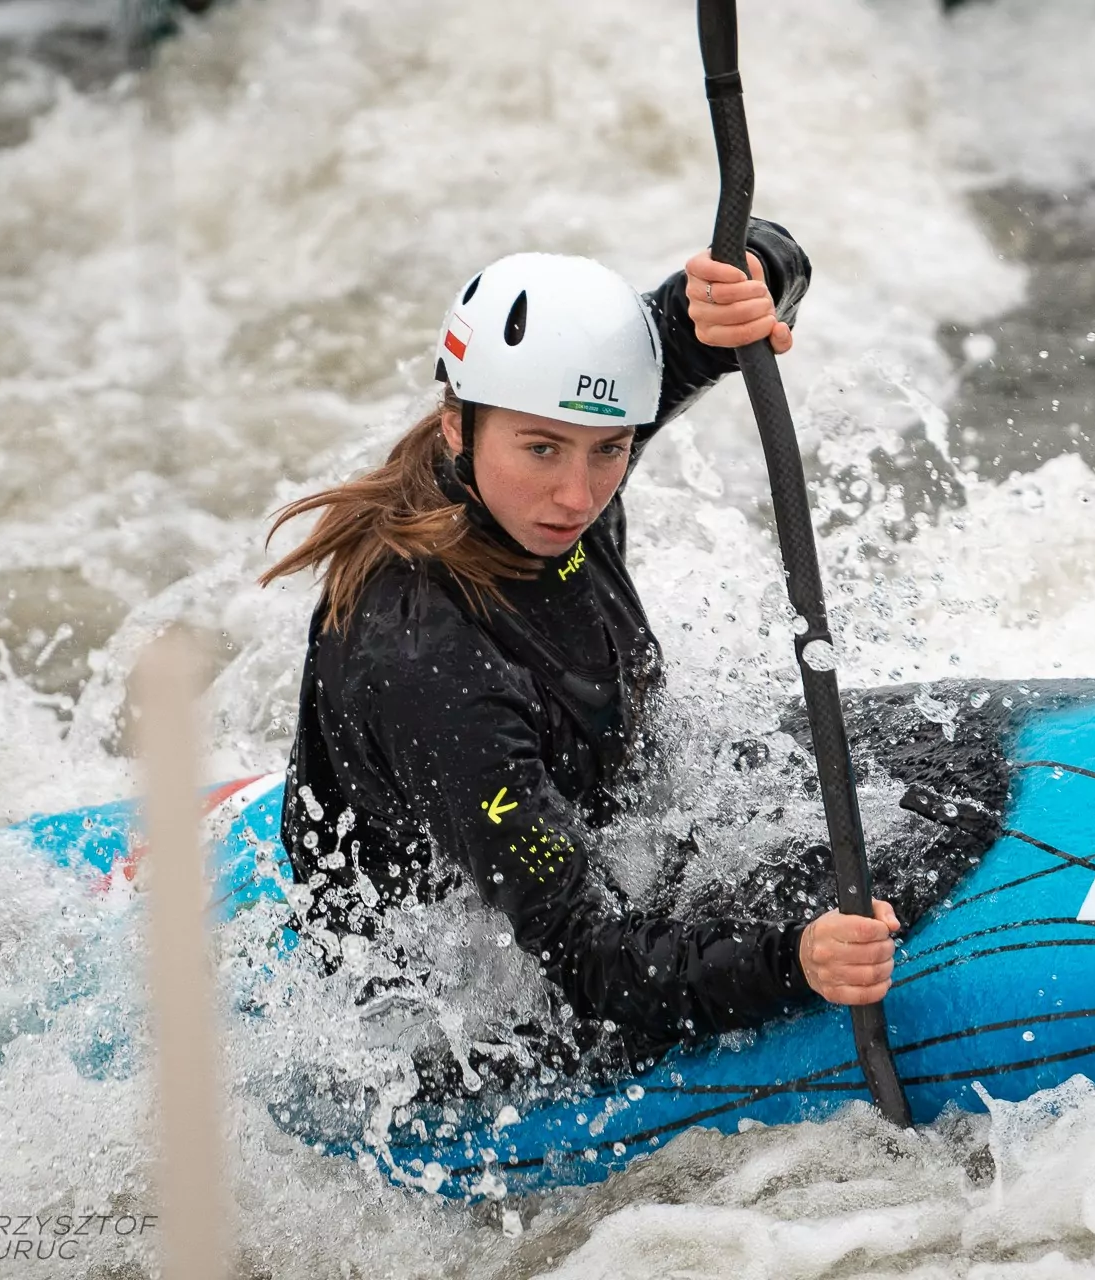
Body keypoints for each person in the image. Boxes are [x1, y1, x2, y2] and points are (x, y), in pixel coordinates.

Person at [261, 222, 900, 1073]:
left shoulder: (548, 434)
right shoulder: (429, 664)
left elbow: (696, 311)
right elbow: (590, 963)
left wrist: (754, 272)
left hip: (583, 832)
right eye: (542, 450)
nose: (576, 496)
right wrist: (794, 962)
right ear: (457, 426)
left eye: (611, 452)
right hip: (439, 1002)